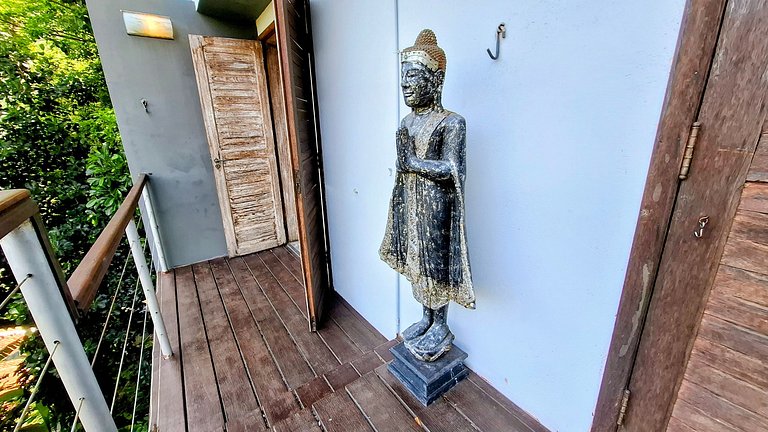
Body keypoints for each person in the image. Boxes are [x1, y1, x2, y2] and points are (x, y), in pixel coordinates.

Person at [380, 29, 474, 362]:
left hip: (437, 208)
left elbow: (453, 169)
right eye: (402, 76)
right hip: (412, 203)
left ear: (436, 79)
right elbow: (403, 164)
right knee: (417, 260)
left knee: (436, 263)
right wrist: (404, 165)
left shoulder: (452, 123)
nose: (404, 84)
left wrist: (414, 163)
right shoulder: (407, 122)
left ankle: (441, 325)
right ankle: (426, 318)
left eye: (412, 75)